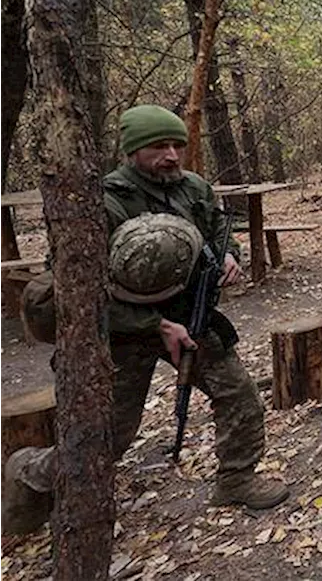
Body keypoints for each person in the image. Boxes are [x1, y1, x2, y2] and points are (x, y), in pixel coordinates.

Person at [0, 105, 289, 536]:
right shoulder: (103, 200)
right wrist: (153, 325)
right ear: (132, 150)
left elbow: (216, 236)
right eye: (159, 146)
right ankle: (30, 472)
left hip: (189, 315)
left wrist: (230, 256)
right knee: (110, 436)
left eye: (177, 145)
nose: (171, 155)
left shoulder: (193, 188)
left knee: (239, 393)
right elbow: (75, 290)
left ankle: (236, 478)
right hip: (122, 330)